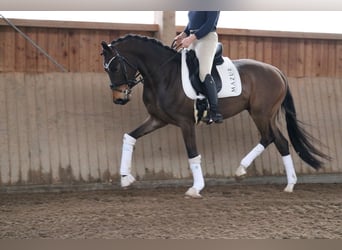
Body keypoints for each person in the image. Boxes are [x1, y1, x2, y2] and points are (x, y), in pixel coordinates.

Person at [174, 11, 223, 124]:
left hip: (206, 38)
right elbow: (192, 22)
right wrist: (183, 34)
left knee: (203, 72)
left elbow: (209, 24)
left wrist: (190, 39)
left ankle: (215, 111)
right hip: (193, 38)